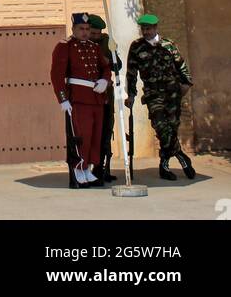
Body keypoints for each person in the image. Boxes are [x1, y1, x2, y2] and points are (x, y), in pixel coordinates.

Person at [125, 13, 195, 181]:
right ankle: (181, 156)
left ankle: (164, 166)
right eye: (143, 29)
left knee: (172, 128)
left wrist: (185, 85)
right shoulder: (136, 47)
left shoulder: (169, 45)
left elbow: (181, 66)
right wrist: (131, 95)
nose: (146, 31)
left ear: (156, 28)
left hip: (172, 94)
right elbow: (131, 73)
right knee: (161, 128)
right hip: (153, 94)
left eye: (148, 28)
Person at [51, 12, 111, 188]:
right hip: (78, 98)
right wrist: (63, 99)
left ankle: (88, 168)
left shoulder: (94, 47)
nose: (85, 32)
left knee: (95, 136)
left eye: (87, 29)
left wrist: (104, 80)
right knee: (81, 136)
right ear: (74, 29)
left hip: (96, 98)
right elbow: (56, 74)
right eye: (81, 29)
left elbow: (105, 67)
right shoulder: (65, 47)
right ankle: (78, 168)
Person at [86, 14, 119, 183]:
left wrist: (108, 60)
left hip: (106, 94)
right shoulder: (81, 44)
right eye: (93, 33)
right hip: (87, 95)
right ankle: (90, 169)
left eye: (99, 33)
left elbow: (117, 65)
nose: (96, 37)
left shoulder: (107, 43)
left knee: (106, 131)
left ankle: (103, 169)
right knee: (91, 133)